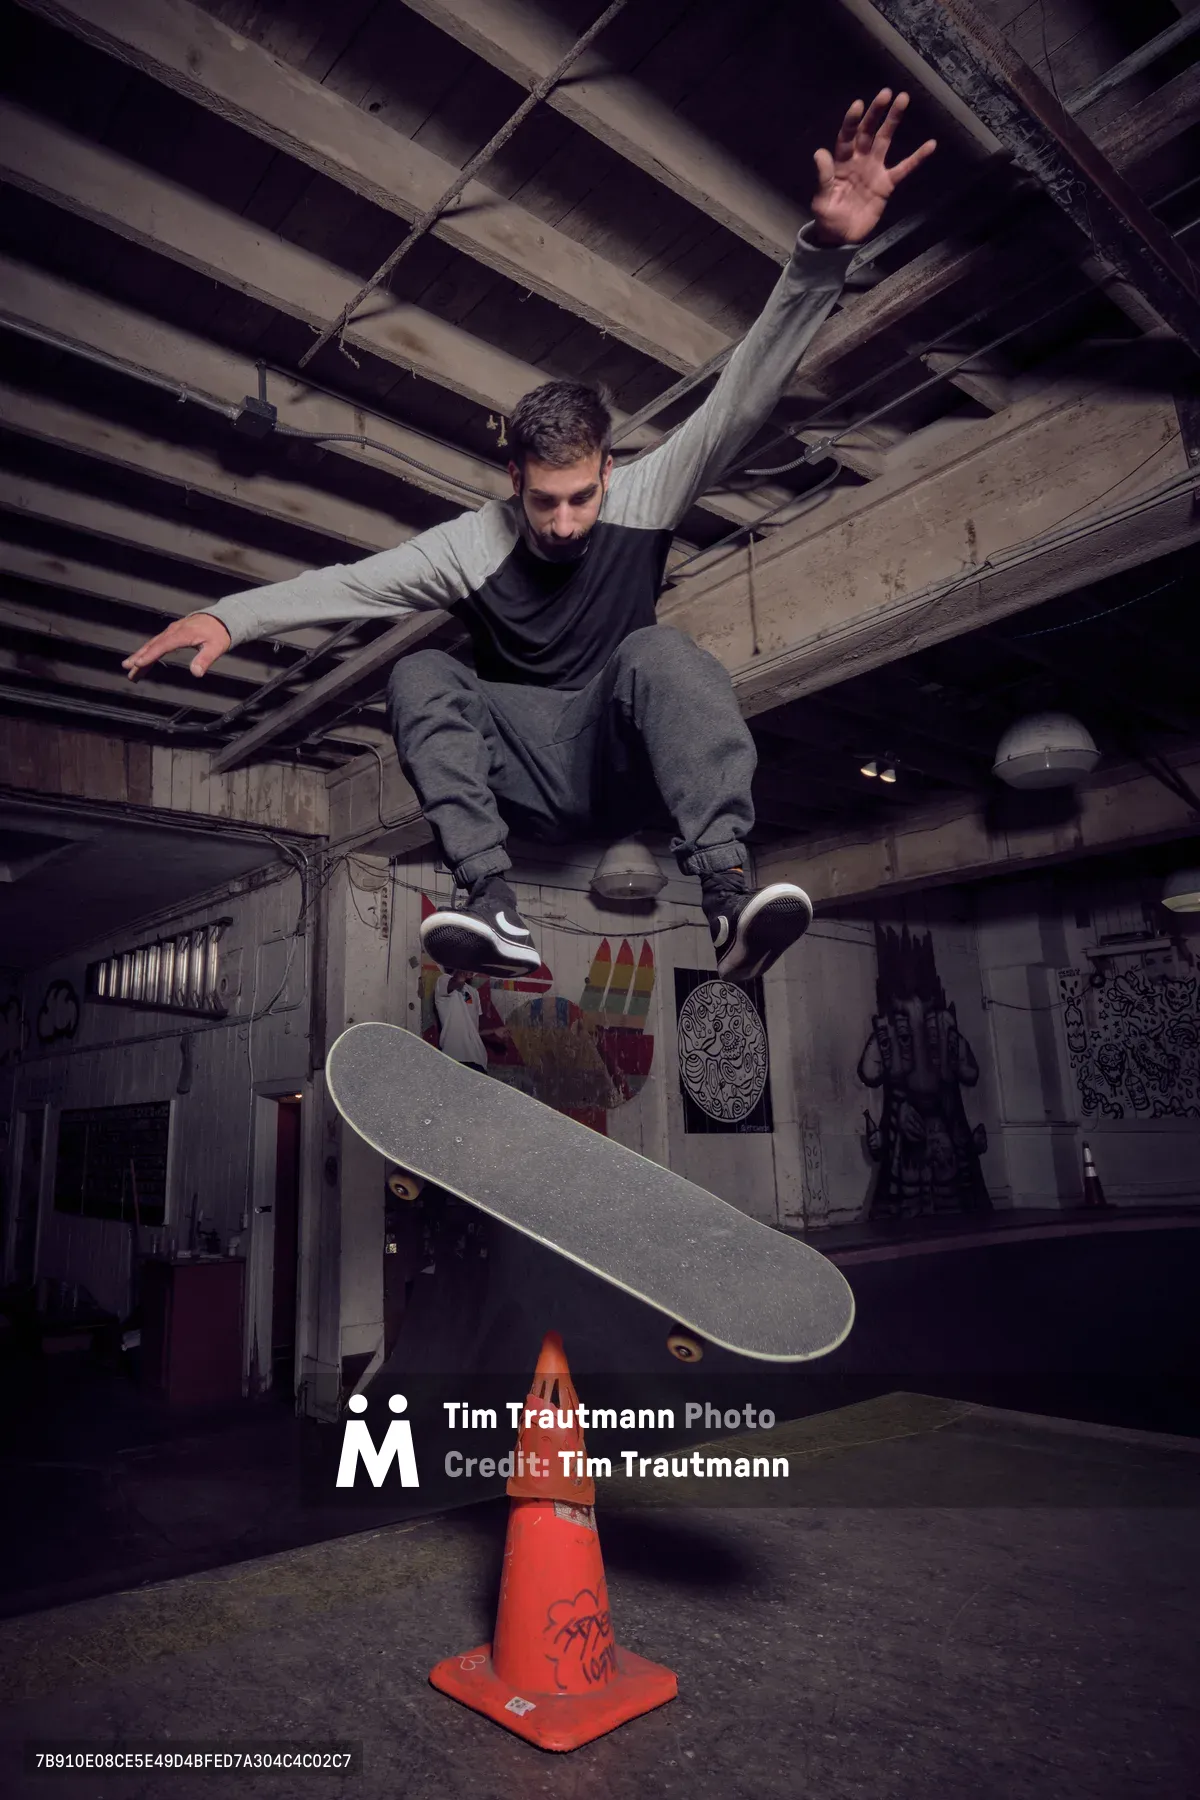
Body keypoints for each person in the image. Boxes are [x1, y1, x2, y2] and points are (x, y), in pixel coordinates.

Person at [124, 92, 934, 983]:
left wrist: (820, 257)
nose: (564, 523)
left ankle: (727, 896)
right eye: (544, 502)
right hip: (522, 773)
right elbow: (354, 585)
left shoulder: (645, 492)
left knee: (662, 653)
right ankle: (491, 905)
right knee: (421, 671)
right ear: (513, 479)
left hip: (616, 758)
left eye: (582, 498)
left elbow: (741, 398)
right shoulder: (471, 546)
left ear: (608, 471)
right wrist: (230, 617)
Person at [432, 969, 505, 1073]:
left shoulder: (474, 992)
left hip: (478, 1061)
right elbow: (453, 984)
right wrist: (460, 974)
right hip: (454, 1058)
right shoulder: (443, 980)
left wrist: (494, 1031)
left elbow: (474, 1030)